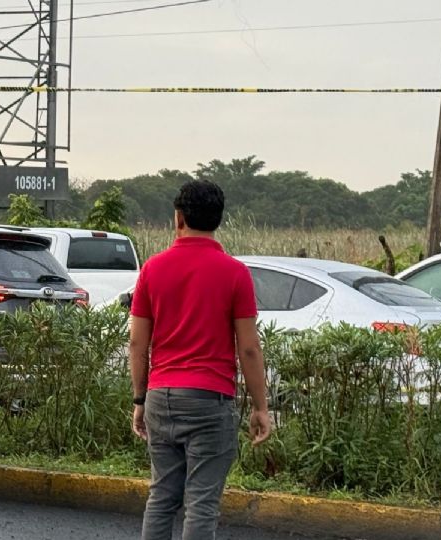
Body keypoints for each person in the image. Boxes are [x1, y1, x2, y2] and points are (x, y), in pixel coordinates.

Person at [129, 180, 272, 540]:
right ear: (218, 220)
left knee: (161, 497)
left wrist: (139, 399)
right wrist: (260, 406)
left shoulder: (153, 269)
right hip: (210, 401)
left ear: (178, 218)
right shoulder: (235, 273)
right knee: (201, 504)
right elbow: (249, 349)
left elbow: (136, 343)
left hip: (161, 396)